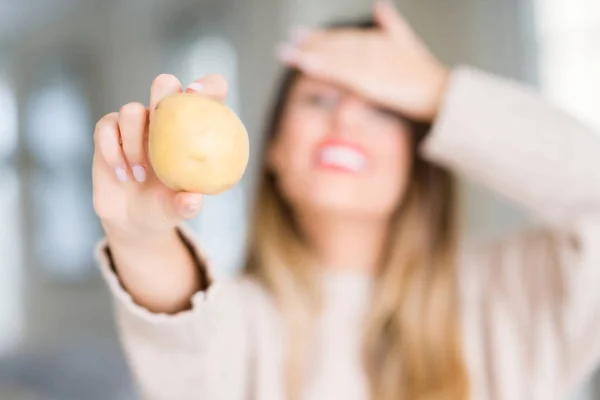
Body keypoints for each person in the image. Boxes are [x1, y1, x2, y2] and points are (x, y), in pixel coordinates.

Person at [92, 2, 600, 400]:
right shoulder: (242, 330)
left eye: (385, 110)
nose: (347, 121)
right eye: (321, 100)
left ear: (423, 150)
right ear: (275, 150)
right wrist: (141, 237)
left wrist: (439, 91)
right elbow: (183, 335)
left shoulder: (516, 302)